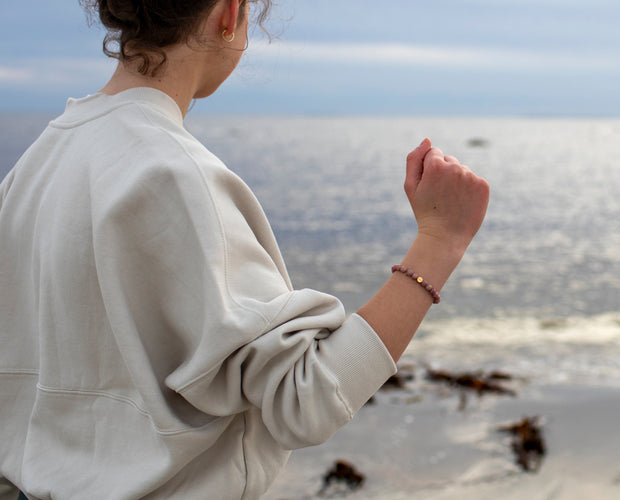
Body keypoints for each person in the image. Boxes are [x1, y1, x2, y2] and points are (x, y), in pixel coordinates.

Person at [0, 0, 490, 498]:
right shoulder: (174, 174)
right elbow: (307, 400)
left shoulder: (36, 164)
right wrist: (440, 239)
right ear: (229, 13)